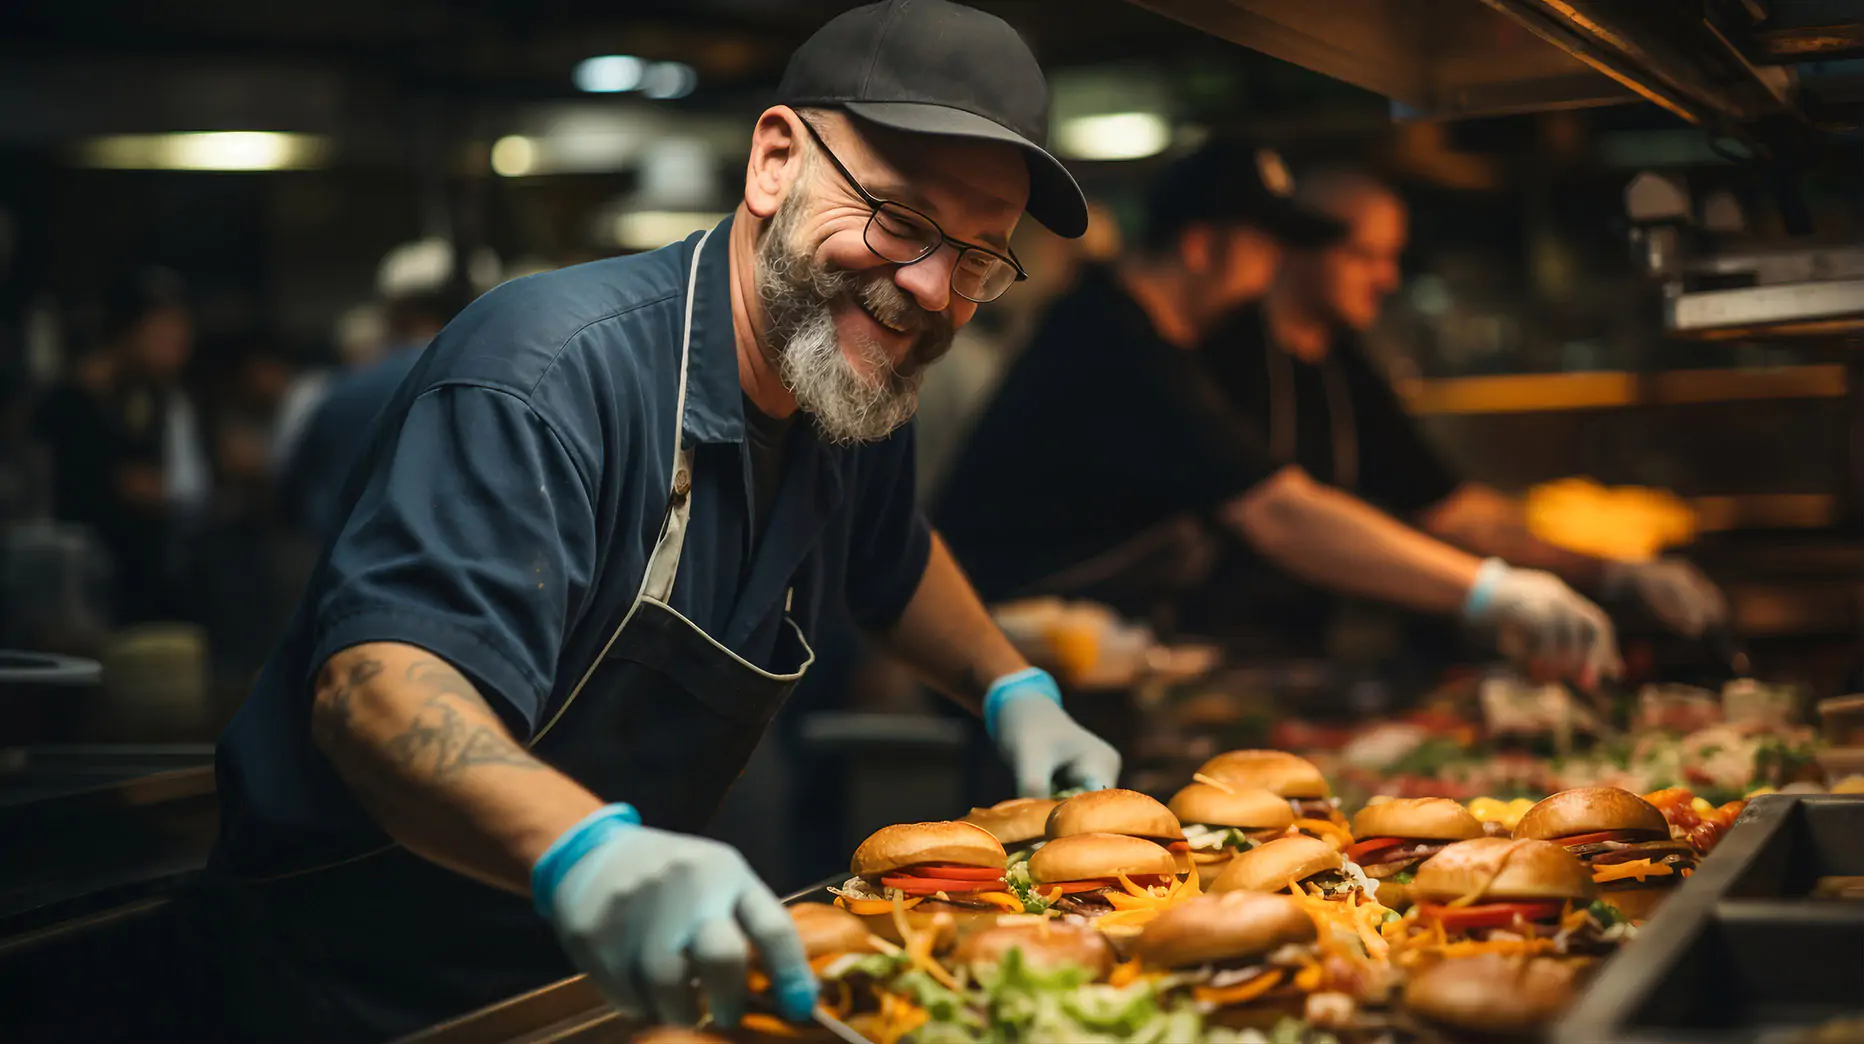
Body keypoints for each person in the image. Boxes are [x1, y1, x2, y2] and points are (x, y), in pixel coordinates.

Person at [201, 2, 1119, 1039]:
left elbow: (891, 559)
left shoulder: (851, 379)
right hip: (357, 983)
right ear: (775, 160)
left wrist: (1013, 690)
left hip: (589, 984)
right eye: (901, 221)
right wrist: (587, 853)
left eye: (981, 258)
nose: (931, 288)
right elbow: (374, 687)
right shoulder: (546, 370)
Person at [935, 141, 1619, 682]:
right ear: (1201, 247)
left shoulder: (1150, 336)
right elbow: (1277, 511)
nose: (1273, 271)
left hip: (1072, 661)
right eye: (1264, 247)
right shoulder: (1112, 343)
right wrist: (1489, 591)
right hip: (994, 661)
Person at [1204, 169, 1728, 640]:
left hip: (1305, 647)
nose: (1387, 278)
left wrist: (1612, 569)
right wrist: (1489, 592)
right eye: (1364, 256)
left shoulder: (1346, 365)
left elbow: (1448, 508)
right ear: (1300, 246)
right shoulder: (1222, 351)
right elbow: (1277, 512)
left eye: (1393, 256)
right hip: (1204, 647)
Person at [31, 267, 211, 623]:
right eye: (165, 334)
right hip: (80, 593)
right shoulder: (68, 405)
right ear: (126, 332)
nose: (179, 349)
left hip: (144, 593)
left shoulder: (154, 402)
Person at [278, 278, 464, 542]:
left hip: (363, 559)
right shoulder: (485, 378)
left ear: (396, 314)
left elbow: (296, 494)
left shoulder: (340, 395)